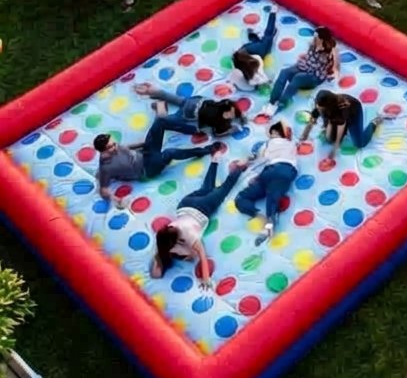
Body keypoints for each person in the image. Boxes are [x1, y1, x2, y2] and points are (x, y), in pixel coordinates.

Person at [151, 156, 247, 285]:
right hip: (184, 204)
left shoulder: (187, 235)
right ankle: (215, 160)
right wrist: (159, 259)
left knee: (224, 189)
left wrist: (206, 279)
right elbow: (156, 274)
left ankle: (239, 168)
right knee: (206, 189)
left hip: (202, 208)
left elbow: (202, 254)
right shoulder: (164, 239)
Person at [93, 120, 218, 203]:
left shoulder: (115, 147)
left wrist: (146, 143)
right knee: (170, 152)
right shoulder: (106, 167)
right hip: (147, 169)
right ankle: (205, 151)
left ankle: (196, 130)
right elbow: (103, 190)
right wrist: (115, 199)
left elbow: (126, 147)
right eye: (110, 147)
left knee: (159, 123)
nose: (115, 147)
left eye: (114, 144)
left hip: (145, 153)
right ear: (102, 152)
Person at [234, 121, 298, 246]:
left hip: (278, 170)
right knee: (265, 198)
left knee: (269, 198)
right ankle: (265, 220)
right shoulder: (288, 144)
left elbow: (260, 158)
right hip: (275, 172)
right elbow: (264, 160)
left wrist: (248, 162)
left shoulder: (272, 144)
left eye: (273, 132)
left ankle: (267, 223)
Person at [261, 26, 338, 116]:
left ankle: (281, 103)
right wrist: (300, 65)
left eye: (316, 37)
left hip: (315, 76)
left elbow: (321, 67)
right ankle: (272, 101)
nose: (314, 38)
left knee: (298, 77)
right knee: (284, 72)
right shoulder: (313, 44)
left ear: (321, 39)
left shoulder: (327, 53)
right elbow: (308, 58)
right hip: (306, 66)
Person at [133, 82, 244, 137]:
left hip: (195, 101)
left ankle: (156, 92)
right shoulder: (218, 120)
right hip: (189, 113)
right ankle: (160, 107)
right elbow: (217, 133)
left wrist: (241, 118)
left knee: (178, 100)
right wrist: (231, 130)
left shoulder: (225, 104)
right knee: (165, 121)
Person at [299, 89, 394, 153]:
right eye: (318, 107)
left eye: (321, 108)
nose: (319, 109)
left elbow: (341, 127)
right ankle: (331, 129)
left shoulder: (344, 108)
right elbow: (312, 120)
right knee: (329, 139)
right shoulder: (320, 106)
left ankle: (375, 121)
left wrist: (335, 148)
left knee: (360, 143)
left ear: (329, 106)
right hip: (335, 116)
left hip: (353, 113)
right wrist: (304, 135)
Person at [229, 6, 277, 91]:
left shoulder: (256, 61)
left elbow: (263, 77)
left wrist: (268, 81)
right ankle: (253, 36)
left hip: (250, 52)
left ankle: (273, 13)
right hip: (242, 52)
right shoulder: (249, 77)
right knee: (266, 46)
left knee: (268, 37)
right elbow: (261, 79)